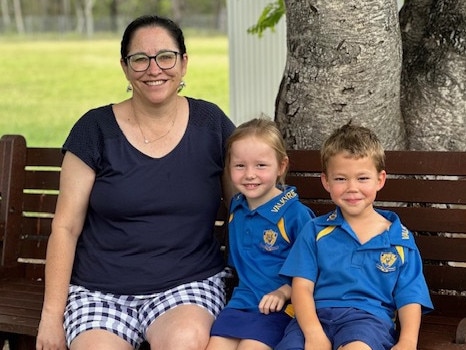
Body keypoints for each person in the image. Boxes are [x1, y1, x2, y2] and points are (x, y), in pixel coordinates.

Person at [36, 15, 236, 350]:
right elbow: (66, 227)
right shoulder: (94, 129)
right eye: (140, 59)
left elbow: (242, 206)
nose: (154, 69)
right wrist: (51, 316)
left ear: (184, 63)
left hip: (187, 285)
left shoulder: (211, 124)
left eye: (166, 57)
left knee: (185, 341)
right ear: (125, 67)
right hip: (100, 291)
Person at [275, 122, 434, 350]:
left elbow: (409, 296)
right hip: (314, 317)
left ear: (380, 180)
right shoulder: (315, 231)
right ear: (326, 181)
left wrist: (407, 342)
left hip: (367, 320)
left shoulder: (400, 239)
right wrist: (313, 334)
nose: (352, 188)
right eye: (341, 179)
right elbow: (301, 288)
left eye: (362, 178)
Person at [206, 118, 315, 350]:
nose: (249, 174)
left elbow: (315, 267)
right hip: (241, 301)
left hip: (281, 307)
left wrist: (284, 291)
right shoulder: (237, 206)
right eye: (239, 166)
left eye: (260, 165)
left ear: (281, 166)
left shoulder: (295, 215)